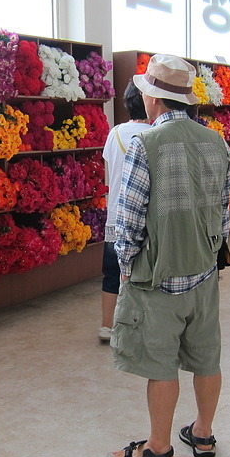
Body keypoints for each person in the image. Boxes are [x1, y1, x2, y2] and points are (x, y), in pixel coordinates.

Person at [106, 54, 230, 457]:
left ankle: (158, 448)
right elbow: (222, 214)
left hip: (158, 278)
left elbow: (128, 220)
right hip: (203, 273)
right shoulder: (217, 143)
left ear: (154, 100)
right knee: (207, 356)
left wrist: (127, 268)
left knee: (160, 365)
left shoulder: (146, 145)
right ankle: (203, 432)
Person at [99, 81, 150, 343]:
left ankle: (107, 326)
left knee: (111, 274)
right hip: (145, 217)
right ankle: (138, 328)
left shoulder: (116, 132)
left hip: (116, 216)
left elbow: (111, 168)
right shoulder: (155, 134)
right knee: (143, 275)